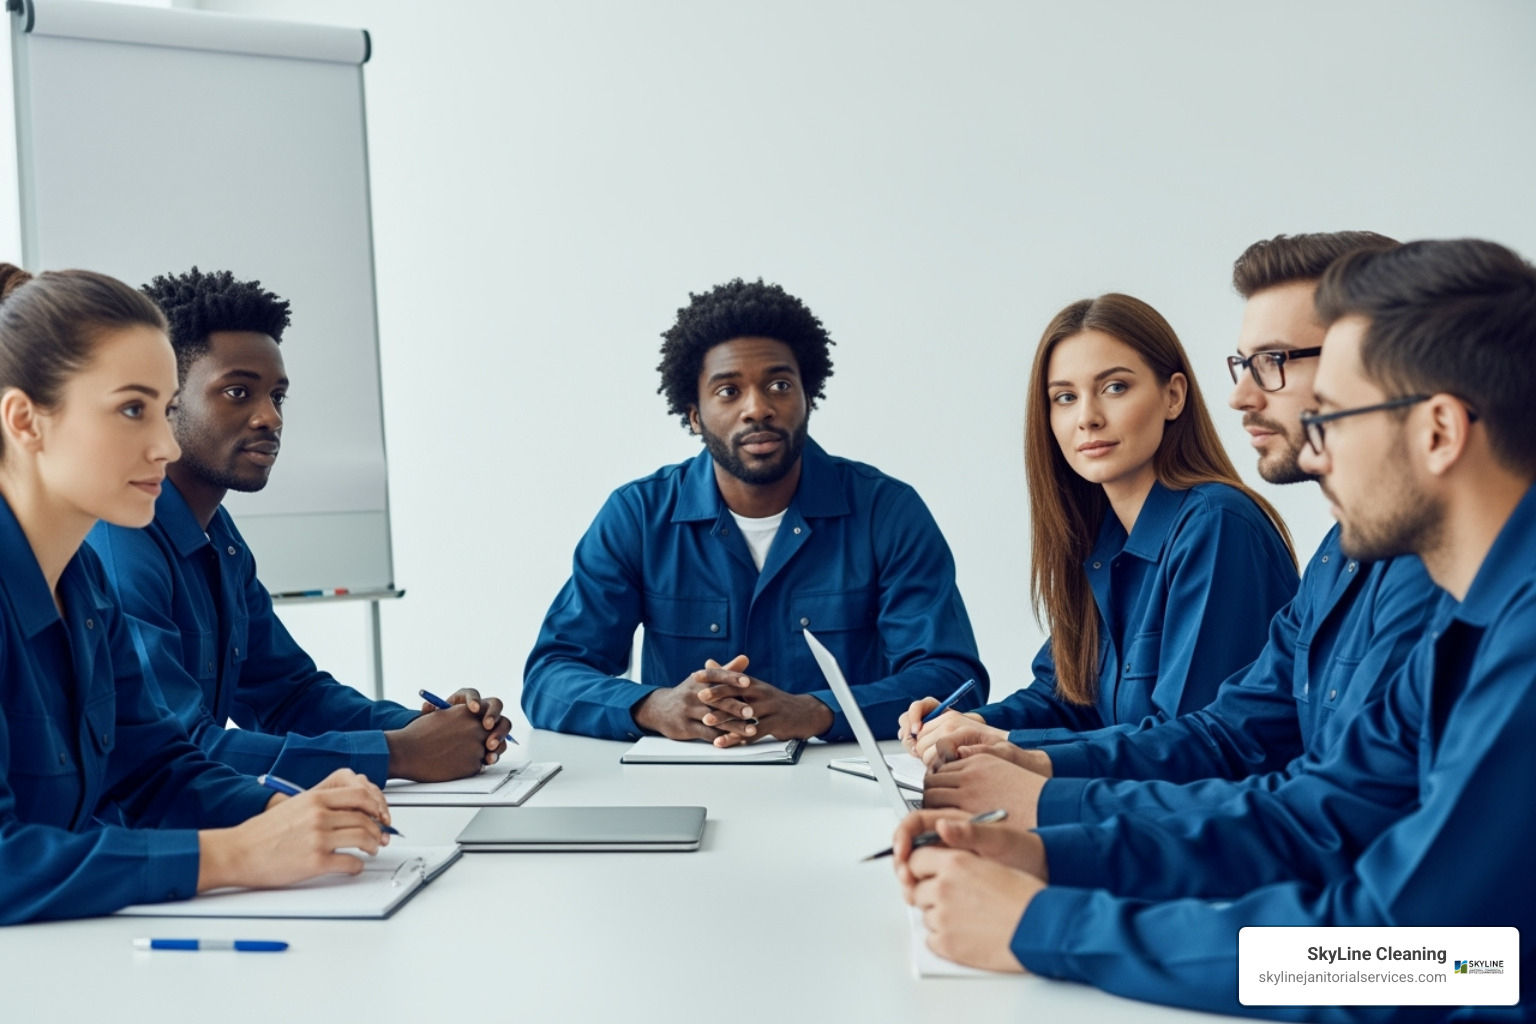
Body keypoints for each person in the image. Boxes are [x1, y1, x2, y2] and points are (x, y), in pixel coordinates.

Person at [894, 238, 1536, 1021]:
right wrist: (1045, 851)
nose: (1313, 447)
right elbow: (1308, 818)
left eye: (1329, 416)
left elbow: (1424, 958)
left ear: (1437, 432)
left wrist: (1044, 925)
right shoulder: (1466, 620)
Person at [909, 233, 1443, 833]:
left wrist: (1035, 786)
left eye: (1273, 363)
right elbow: (1217, 733)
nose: (1241, 397)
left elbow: (1298, 809)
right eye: (1063, 397)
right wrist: (992, 739)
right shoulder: (1337, 555)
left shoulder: (1225, 526)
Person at [0, 264, 395, 924]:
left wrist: (284, 814)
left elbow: (154, 769)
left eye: (161, 409)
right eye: (132, 410)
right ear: (26, 420)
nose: (162, 445)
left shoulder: (83, 585)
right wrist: (235, 855)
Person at [87, 268, 511, 788]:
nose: (271, 417)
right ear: (164, 400)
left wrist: (423, 728)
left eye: (278, 396)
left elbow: (289, 695)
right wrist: (394, 754)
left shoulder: (219, 538)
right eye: (239, 392)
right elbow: (178, 748)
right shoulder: (116, 543)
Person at [521, 278, 986, 744]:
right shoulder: (639, 515)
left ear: (808, 397)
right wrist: (652, 706)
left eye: (779, 385)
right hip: (682, 786)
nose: (757, 408)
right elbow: (549, 677)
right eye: (728, 391)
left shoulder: (887, 511)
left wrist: (817, 711)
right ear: (695, 415)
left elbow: (951, 680)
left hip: (840, 789)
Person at [898, 293, 1297, 752]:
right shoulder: (1101, 538)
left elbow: (1191, 744)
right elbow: (1065, 696)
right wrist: (961, 724)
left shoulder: (1216, 525)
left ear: (1173, 396)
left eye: (1114, 388)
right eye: (1065, 397)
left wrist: (1007, 743)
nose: (1087, 418)